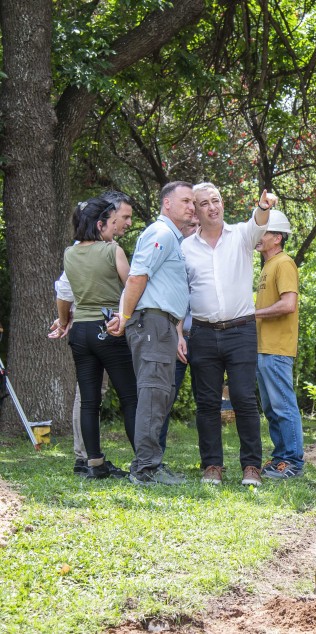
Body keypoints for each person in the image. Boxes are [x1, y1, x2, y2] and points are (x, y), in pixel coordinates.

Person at [181, 183, 273, 486]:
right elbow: (181, 294)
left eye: (216, 200)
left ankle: (251, 468)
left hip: (241, 330)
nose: (212, 207)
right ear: (196, 209)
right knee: (206, 403)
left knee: (245, 399)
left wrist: (262, 207)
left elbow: (258, 223)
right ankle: (212, 467)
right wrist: (179, 332)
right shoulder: (185, 248)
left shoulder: (241, 237)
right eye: (204, 203)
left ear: (223, 203)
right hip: (203, 333)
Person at [108, 181, 194, 485]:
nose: (192, 207)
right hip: (152, 324)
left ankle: (151, 463)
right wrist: (125, 316)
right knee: (153, 394)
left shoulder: (173, 238)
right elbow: (136, 278)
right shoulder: (160, 234)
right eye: (185, 201)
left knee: (159, 394)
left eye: (192, 202)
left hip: (162, 325)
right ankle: (145, 469)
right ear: (166, 204)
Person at [53, 193, 137, 479]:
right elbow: (132, 286)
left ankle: (95, 463)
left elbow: (64, 295)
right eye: (112, 222)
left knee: (89, 401)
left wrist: (64, 322)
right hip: (109, 327)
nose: (115, 227)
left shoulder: (69, 253)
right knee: (130, 397)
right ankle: (144, 460)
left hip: (81, 332)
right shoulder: (112, 250)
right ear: (101, 223)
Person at [255, 209, 305, 479]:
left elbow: (288, 304)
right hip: (264, 347)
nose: (258, 237)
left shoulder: (284, 263)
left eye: (264, 232)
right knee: (272, 408)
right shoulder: (267, 266)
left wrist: (251, 314)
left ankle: (293, 462)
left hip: (277, 348)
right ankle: (280, 458)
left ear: (277, 238)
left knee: (283, 406)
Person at [160, 214, 200, 452]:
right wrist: (178, 336)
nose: (194, 229)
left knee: (206, 400)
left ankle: (211, 461)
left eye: (198, 225)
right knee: (165, 397)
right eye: (191, 225)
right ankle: (155, 458)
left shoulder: (209, 254)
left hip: (203, 335)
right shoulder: (173, 253)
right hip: (176, 335)